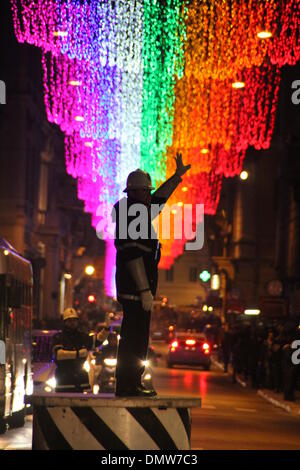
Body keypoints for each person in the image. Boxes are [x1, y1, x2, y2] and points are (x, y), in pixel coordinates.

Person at [113, 153, 191, 397]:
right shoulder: (133, 213)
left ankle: (129, 383)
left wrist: (176, 178)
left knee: (134, 337)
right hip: (136, 290)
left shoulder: (137, 210)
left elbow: (159, 199)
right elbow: (133, 255)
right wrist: (144, 290)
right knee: (134, 339)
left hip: (135, 290)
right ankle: (129, 384)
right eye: (146, 191)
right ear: (135, 193)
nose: (149, 196)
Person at [52, 308, 111, 392]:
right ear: (65, 322)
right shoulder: (59, 337)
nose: (72, 323)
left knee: (83, 404)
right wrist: (78, 354)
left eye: (74, 320)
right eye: (69, 321)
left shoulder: (82, 336)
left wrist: (106, 329)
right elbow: (59, 354)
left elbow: (98, 340)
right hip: (64, 381)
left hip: (81, 381)